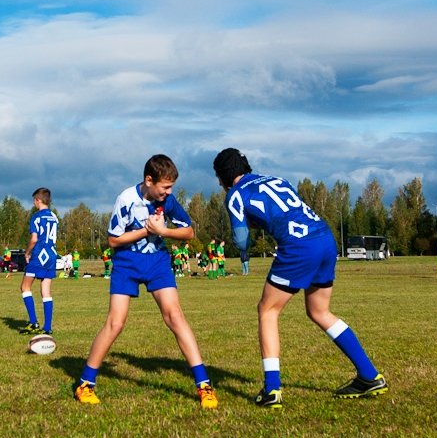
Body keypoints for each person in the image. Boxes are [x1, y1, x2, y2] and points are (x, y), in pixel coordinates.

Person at [213, 148, 388, 408]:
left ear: (222, 177)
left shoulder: (235, 194)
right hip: (324, 237)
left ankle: (272, 390)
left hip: (298, 246)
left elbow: (241, 240)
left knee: (267, 310)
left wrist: (246, 241)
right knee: (319, 310)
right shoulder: (276, 180)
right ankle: (369, 375)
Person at [74, 154, 217, 409]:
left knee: (175, 317)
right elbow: (113, 240)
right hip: (126, 263)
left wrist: (164, 232)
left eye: (171, 187)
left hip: (158, 263)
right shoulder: (126, 199)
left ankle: (204, 386)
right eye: (165, 187)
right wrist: (146, 231)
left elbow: (189, 232)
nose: (169, 192)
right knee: (115, 323)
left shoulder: (168, 201)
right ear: (148, 180)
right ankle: (85, 384)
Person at [20, 188, 59, 335]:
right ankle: (47, 327)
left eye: (34, 200)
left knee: (25, 287)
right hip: (51, 254)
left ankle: (33, 322)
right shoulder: (54, 217)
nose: (33, 203)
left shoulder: (36, 217)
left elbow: (34, 239)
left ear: (38, 200)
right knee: (46, 291)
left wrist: (27, 252)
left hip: (39, 255)